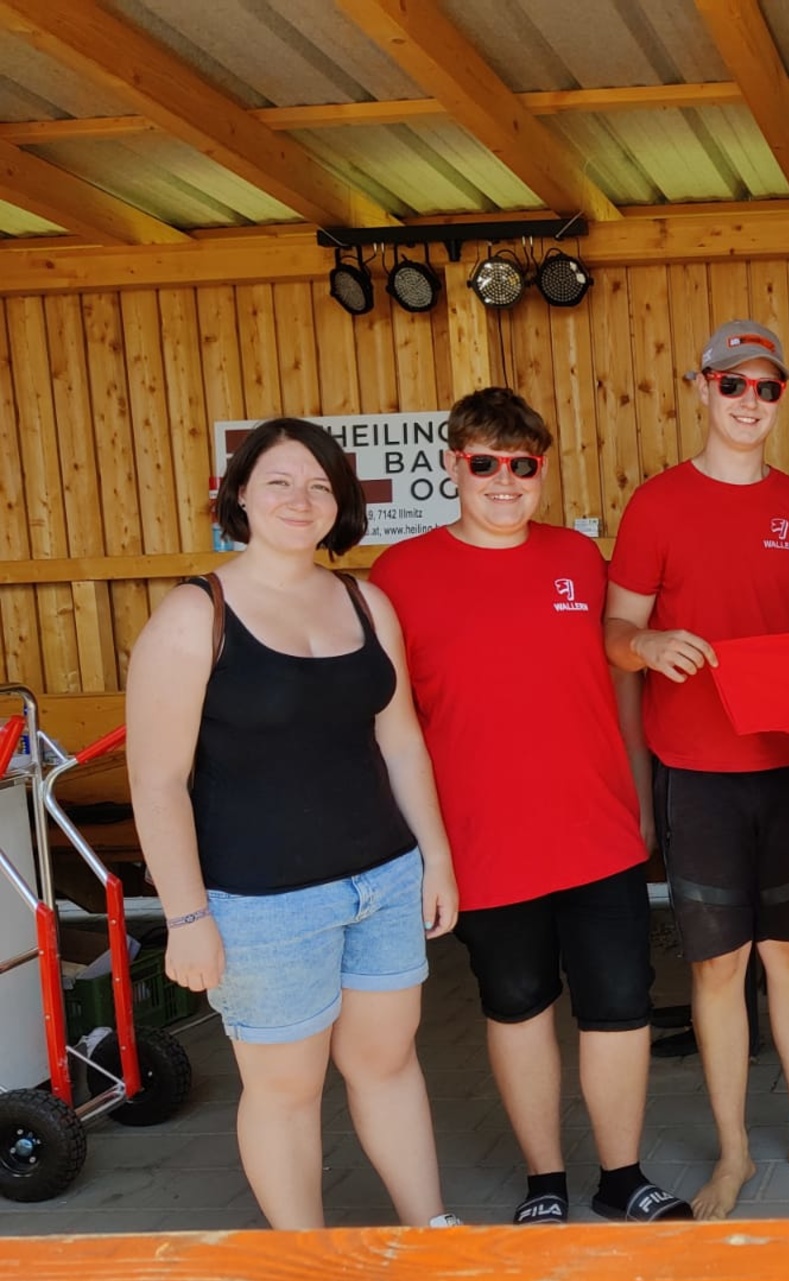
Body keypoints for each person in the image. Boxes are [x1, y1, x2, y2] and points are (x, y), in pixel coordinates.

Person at [125, 419, 458, 1230]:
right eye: (278, 480)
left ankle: (435, 1238)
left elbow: (401, 740)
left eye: (319, 484)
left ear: (340, 500)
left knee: (387, 1063)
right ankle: (304, 1267)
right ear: (240, 493)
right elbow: (157, 781)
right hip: (262, 904)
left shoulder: (365, 601)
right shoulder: (194, 614)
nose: (300, 499)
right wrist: (187, 916)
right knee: (285, 1090)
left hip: (383, 880)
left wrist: (437, 859)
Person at [604, 320, 789, 1220]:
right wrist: (647, 643)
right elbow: (614, 632)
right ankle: (733, 1151)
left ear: (781, 400)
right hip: (697, 772)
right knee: (718, 969)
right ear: (701, 388)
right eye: (733, 384)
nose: (749, 401)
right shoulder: (656, 505)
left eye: (766, 387)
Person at [373, 388, 688, 1225]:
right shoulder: (399, 575)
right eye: (485, 463)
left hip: (596, 830)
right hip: (483, 841)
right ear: (454, 465)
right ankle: (544, 1180)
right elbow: (392, 725)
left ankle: (622, 1176)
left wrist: (639, 793)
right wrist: (426, 851)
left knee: (619, 1006)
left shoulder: (578, 558)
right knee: (517, 1006)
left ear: (542, 469)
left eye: (523, 464)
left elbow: (619, 683)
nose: (505, 480)